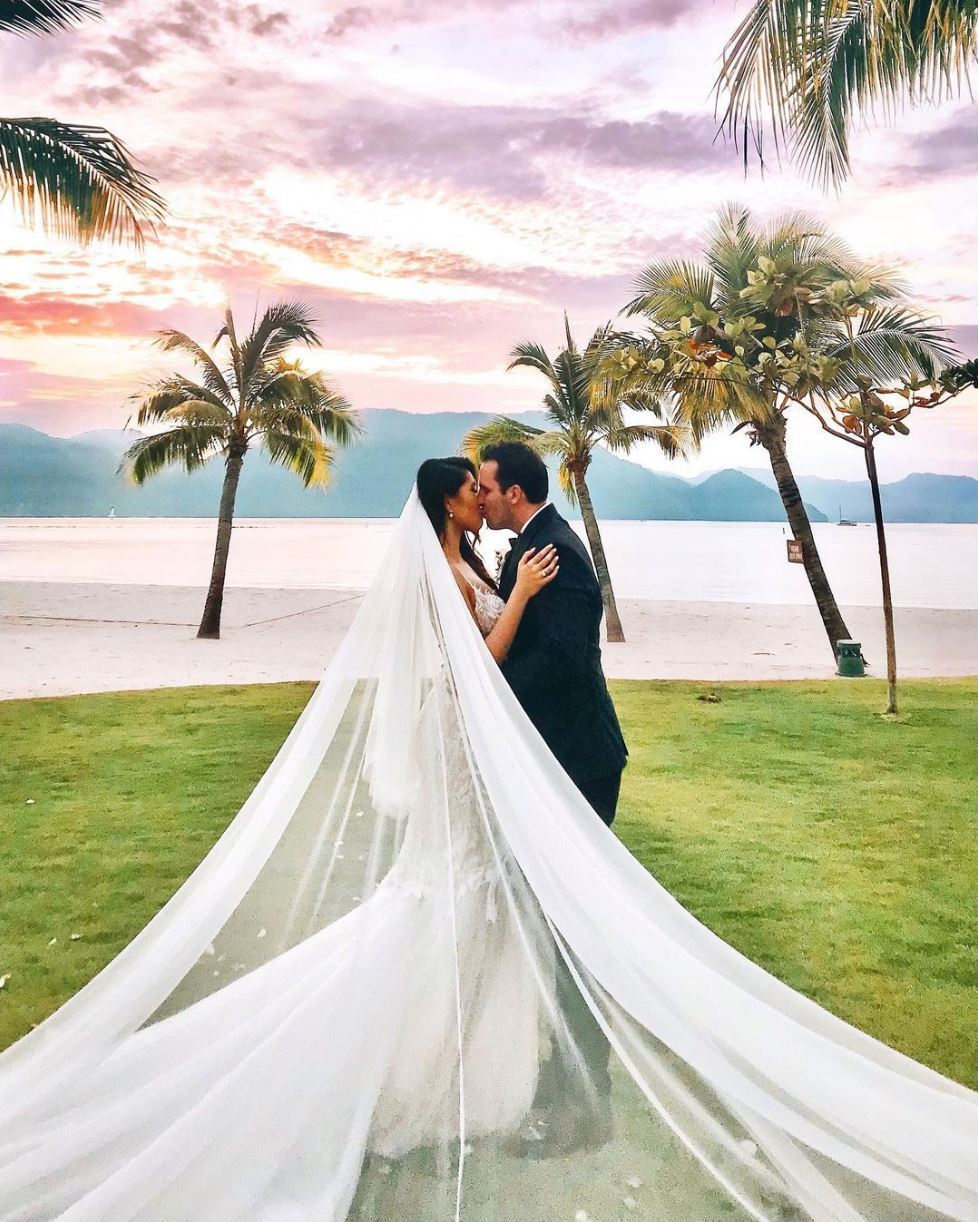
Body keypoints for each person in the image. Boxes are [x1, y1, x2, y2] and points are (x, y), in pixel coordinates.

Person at [1, 460, 975, 1222]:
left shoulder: (490, 559)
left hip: (488, 743)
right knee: (457, 893)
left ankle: (502, 1070)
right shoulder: (458, 568)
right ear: (451, 505)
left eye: (487, 485)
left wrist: (518, 592)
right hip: (462, 740)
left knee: (482, 899)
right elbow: (478, 658)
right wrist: (520, 599)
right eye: (471, 489)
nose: (482, 496)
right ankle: (437, 1077)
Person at [477, 442, 627, 827]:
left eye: (486, 489)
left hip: (577, 753)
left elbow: (562, 654)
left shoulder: (555, 550)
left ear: (514, 493)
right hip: (552, 747)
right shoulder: (534, 543)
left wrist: (491, 688)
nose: (480, 500)